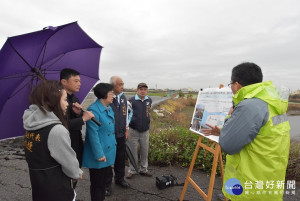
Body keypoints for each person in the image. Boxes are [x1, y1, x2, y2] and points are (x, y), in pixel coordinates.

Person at [202, 62, 290, 201]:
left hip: (249, 186)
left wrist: (229, 119)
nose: (230, 87)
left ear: (237, 84)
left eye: (230, 84)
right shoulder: (272, 103)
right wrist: (222, 130)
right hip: (269, 177)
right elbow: (258, 132)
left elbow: (228, 145)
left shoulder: (250, 106)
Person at [23, 80, 83, 201]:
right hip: (58, 190)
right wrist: (77, 173)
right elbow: (70, 165)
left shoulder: (31, 125)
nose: (67, 104)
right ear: (53, 100)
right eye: (65, 100)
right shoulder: (56, 130)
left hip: (39, 186)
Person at [82, 83, 117, 201]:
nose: (113, 96)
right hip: (99, 154)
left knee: (103, 184)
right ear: (103, 95)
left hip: (107, 152)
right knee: (97, 185)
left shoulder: (108, 107)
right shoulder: (93, 110)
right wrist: (99, 154)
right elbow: (93, 135)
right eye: (111, 93)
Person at [60, 68, 94, 167]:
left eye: (79, 81)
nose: (79, 84)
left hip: (76, 137)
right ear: (64, 82)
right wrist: (83, 118)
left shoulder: (75, 98)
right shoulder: (57, 100)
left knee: (77, 164)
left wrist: (78, 114)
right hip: (65, 141)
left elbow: (73, 118)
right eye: (76, 81)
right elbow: (62, 124)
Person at [105, 76, 130, 196]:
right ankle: (107, 184)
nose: (122, 87)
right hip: (110, 134)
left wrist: (126, 129)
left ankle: (120, 179)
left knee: (120, 157)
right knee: (109, 159)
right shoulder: (106, 97)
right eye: (120, 84)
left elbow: (125, 115)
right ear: (113, 86)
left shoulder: (123, 97)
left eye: (123, 84)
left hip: (121, 133)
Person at [126, 83, 152, 178]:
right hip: (133, 130)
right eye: (141, 89)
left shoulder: (149, 100)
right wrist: (127, 128)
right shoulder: (131, 101)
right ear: (137, 90)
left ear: (147, 91)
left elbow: (149, 112)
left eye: (145, 89)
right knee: (132, 151)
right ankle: (132, 170)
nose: (143, 91)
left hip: (145, 131)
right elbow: (127, 116)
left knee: (145, 151)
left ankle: (143, 169)